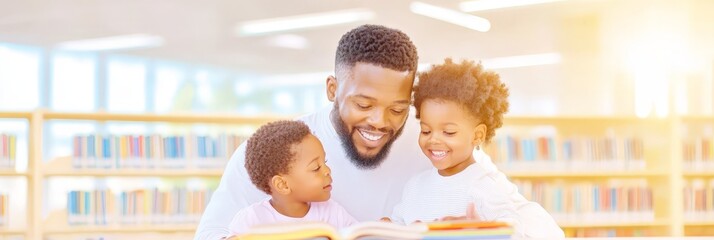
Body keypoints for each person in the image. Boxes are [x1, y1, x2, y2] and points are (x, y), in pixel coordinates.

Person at [195, 24, 543, 240]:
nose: (379, 122)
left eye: (397, 109)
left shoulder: (431, 144)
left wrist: (484, 228)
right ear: (332, 89)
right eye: (363, 105)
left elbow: (528, 220)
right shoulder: (276, 150)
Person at [387, 59, 564, 238]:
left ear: (477, 135)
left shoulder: (482, 186)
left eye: (448, 132)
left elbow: (513, 231)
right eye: (426, 130)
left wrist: (481, 232)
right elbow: (399, 223)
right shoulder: (415, 185)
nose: (433, 140)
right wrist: (388, 227)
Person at [227, 120, 357, 234]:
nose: (327, 171)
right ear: (282, 185)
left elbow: (360, 235)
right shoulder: (251, 221)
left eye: (325, 162)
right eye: (316, 168)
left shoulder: (332, 213)